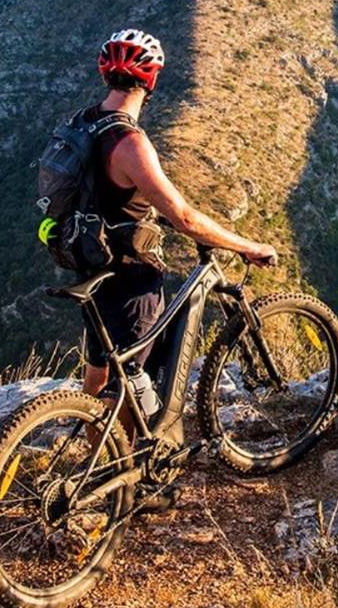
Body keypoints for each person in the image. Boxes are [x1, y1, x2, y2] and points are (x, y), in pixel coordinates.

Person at [45, 29, 277, 416]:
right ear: (151, 79)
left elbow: (100, 193)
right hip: (130, 278)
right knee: (132, 385)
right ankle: (131, 452)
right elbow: (184, 217)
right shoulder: (129, 143)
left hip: (89, 262)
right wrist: (247, 247)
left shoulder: (83, 122)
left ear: (105, 74)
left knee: (99, 372)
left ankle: (92, 446)